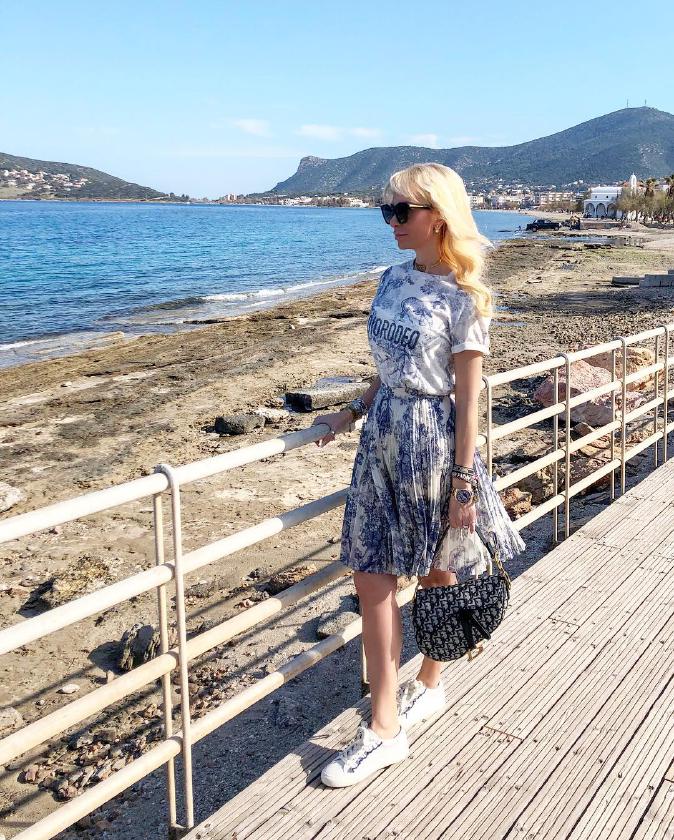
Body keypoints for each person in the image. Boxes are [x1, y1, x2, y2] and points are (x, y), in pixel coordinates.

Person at [312, 162, 525, 788]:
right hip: (380, 438)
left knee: (438, 571)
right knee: (371, 575)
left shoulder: (465, 296)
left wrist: (463, 483)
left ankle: (429, 683)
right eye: (387, 210)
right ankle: (385, 726)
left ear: (439, 216)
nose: (391, 221)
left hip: (431, 444)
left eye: (402, 211)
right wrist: (352, 409)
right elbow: (390, 367)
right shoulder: (391, 279)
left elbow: (469, 399)